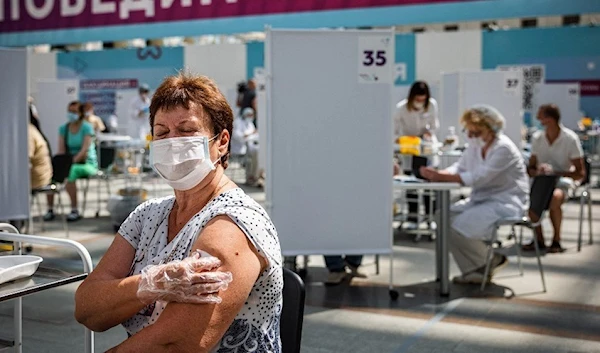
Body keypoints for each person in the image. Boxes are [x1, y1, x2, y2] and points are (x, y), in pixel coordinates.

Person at [74, 73, 283, 352]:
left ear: (221, 142)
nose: (172, 142)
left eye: (186, 130)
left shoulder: (234, 222)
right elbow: (87, 309)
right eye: (161, 133)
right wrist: (151, 284)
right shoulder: (147, 216)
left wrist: (125, 293)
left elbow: (175, 343)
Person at [419, 105, 529, 284]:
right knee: (442, 217)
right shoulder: (476, 145)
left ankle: (490, 259)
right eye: (468, 132)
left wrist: (441, 177)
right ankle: (475, 270)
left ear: (490, 129)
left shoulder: (504, 149)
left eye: (475, 132)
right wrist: (439, 174)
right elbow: (460, 167)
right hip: (482, 199)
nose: (470, 137)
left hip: (506, 201)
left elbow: (480, 178)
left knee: (459, 226)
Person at [523, 104, 585, 253]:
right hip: (542, 180)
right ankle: (539, 239)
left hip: (563, 179)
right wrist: (538, 171)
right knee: (531, 198)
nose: (538, 120)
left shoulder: (570, 138)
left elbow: (580, 173)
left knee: (555, 198)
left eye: (540, 117)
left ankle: (556, 240)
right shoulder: (538, 138)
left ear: (550, 119)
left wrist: (556, 172)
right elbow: (530, 169)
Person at [393, 81, 440, 229]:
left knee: (427, 183)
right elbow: (395, 129)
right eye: (417, 99)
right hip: (409, 148)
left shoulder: (431, 105)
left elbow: (434, 125)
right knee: (411, 182)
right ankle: (412, 217)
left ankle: (429, 216)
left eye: (422, 99)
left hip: (425, 147)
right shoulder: (401, 108)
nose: (420, 102)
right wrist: (399, 140)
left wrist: (428, 133)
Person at [44, 101, 98, 222]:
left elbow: (84, 151)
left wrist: (68, 165)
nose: (71, 114)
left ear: (80, 113)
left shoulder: (87, 127)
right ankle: (50, 209)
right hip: (69, 161)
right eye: (70, 111)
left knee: (71, 172)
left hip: (86, 164)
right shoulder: (64, 128)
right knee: (50, 173)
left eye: (74, 112)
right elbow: (61, 150)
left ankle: (74, 209)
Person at [231, 107, 260, 185]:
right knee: (252, 156)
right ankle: (250, 176)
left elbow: (255, 134)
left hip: (249, 146)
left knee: (256, 154)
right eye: (249, 115)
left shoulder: (250, 123)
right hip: (240, 148)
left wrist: (249, 135)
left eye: (252, 115)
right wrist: (249, 135)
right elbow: (237, 136)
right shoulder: (238, 122)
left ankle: (254, 176)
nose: (251, 117)